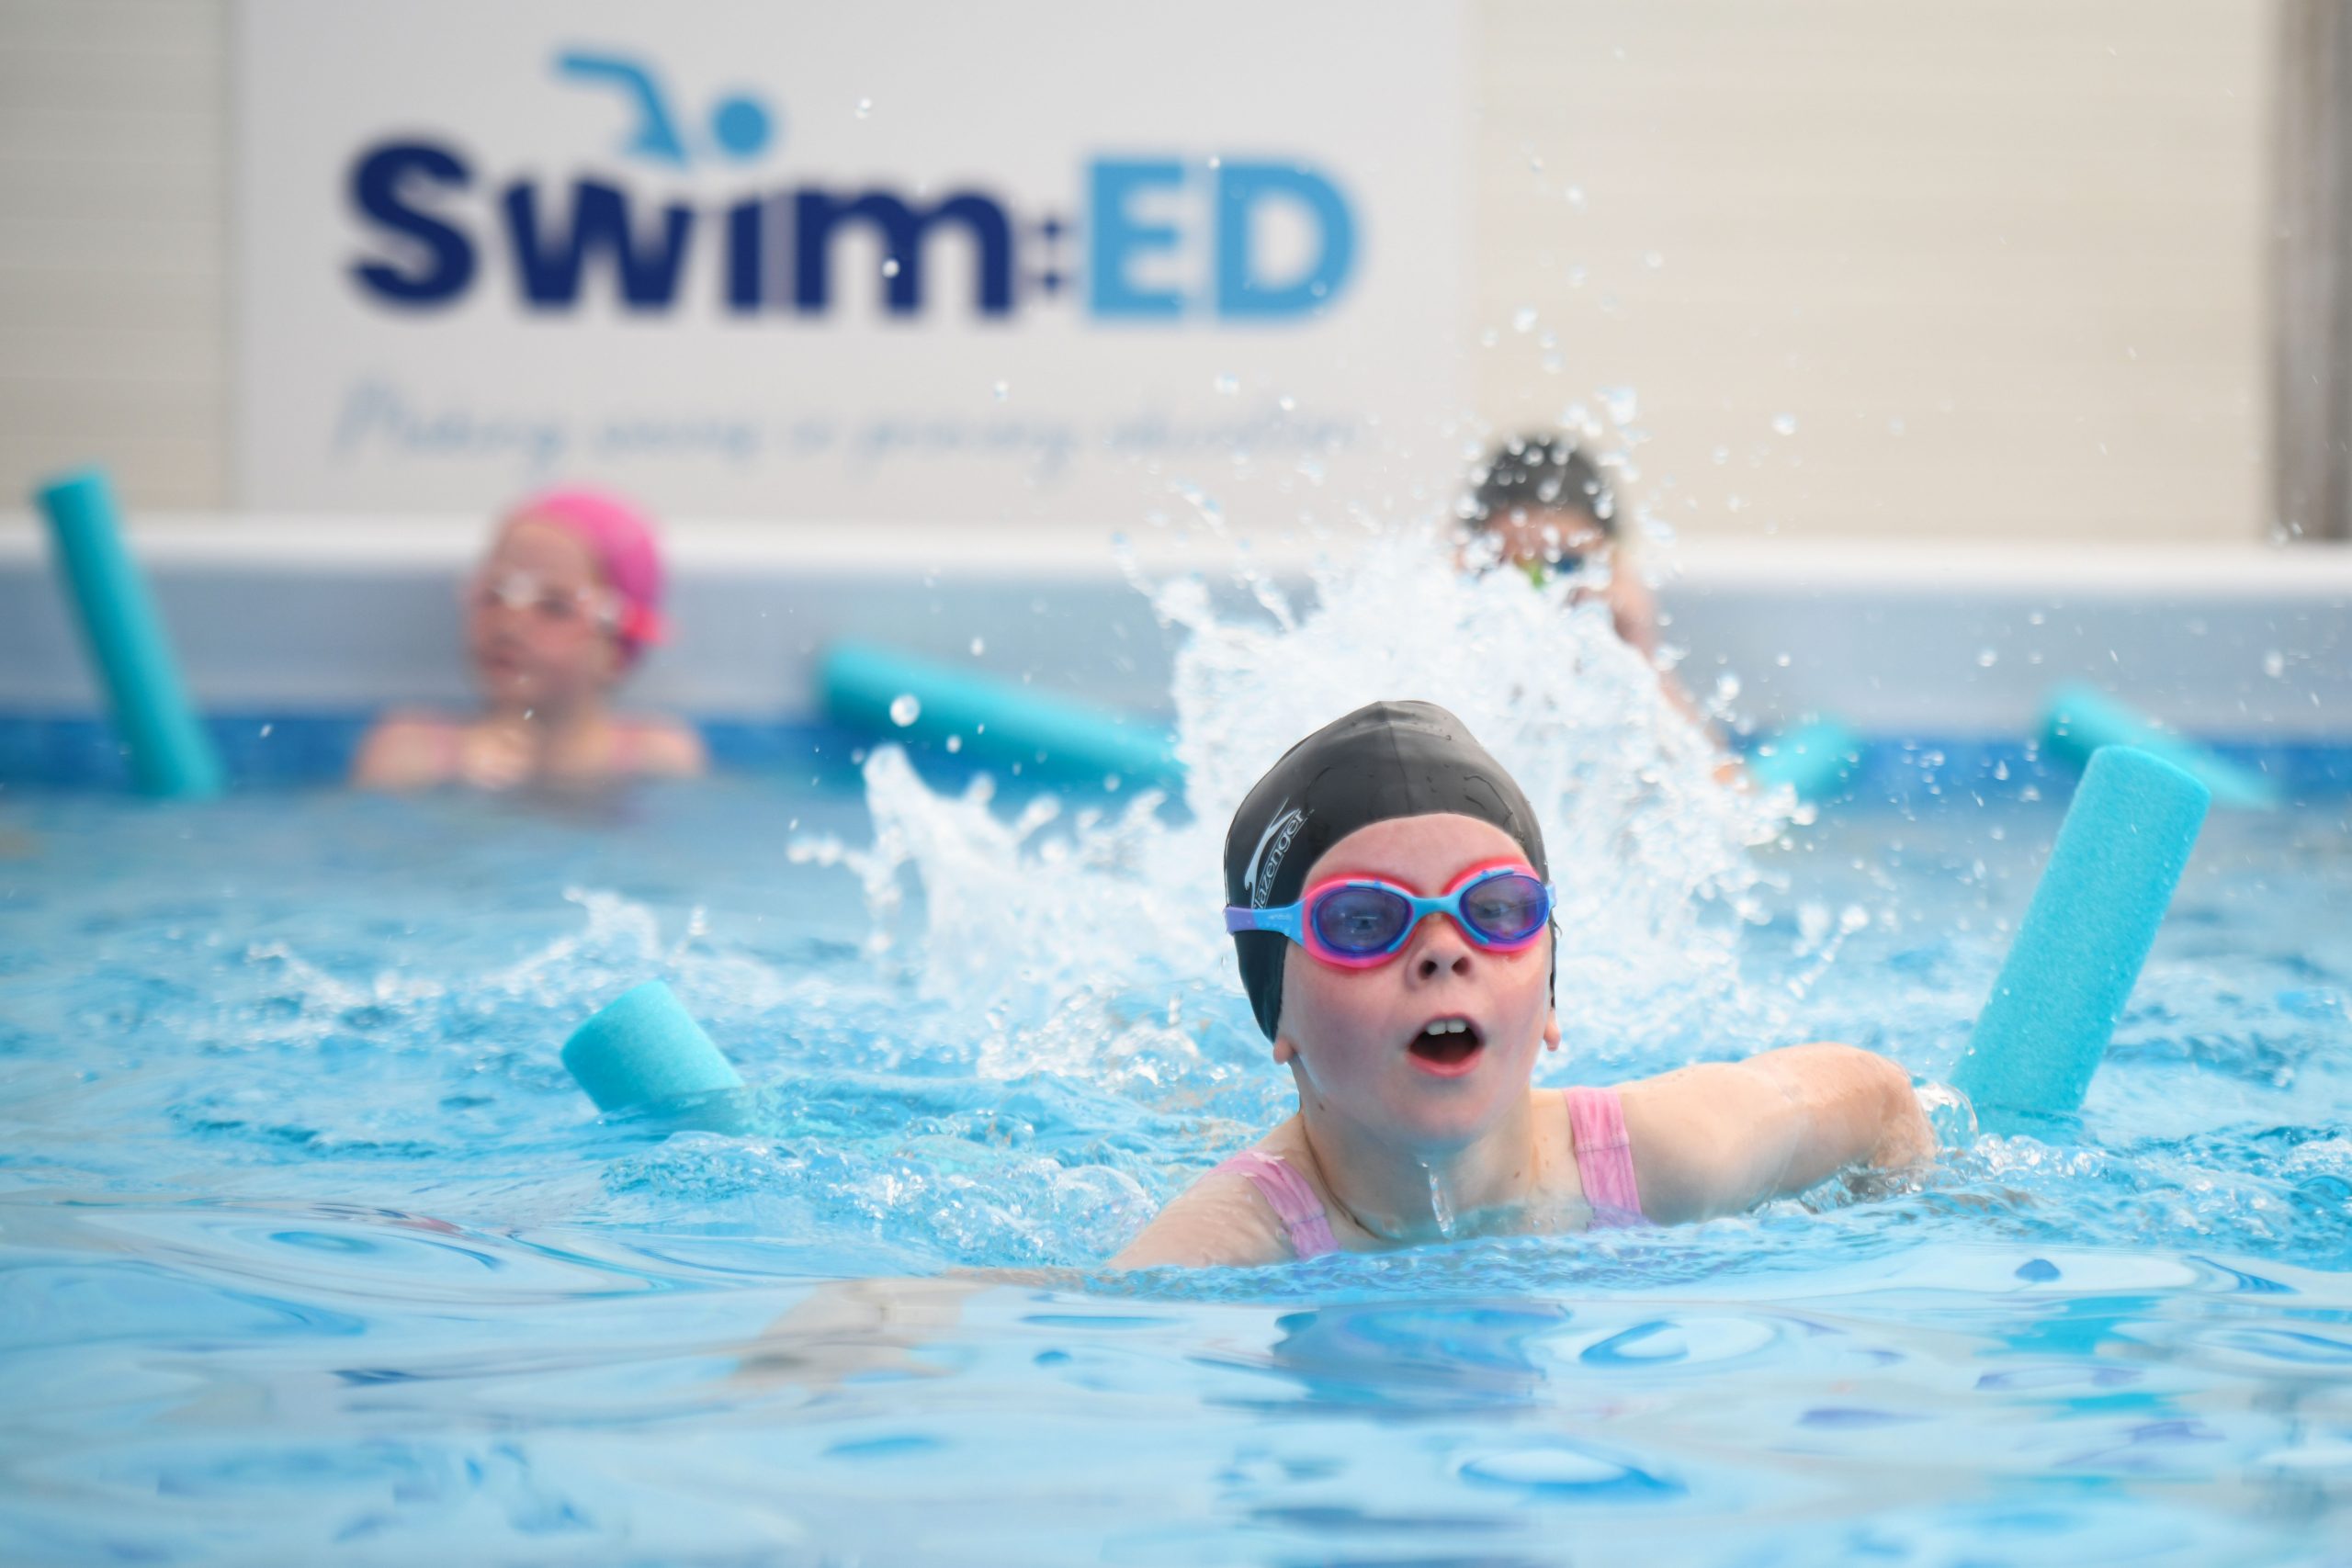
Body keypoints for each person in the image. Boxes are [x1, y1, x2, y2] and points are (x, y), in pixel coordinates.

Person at [1111, 700, 1929, 1269]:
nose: (1442, 952)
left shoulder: (1655, 1159)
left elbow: (1878, 1098)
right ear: (1274, 1007)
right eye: (1363, 921)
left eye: (1494, 910)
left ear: (1548, 993)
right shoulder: (1238, 1238)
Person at [351, 488, 707, 791]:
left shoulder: (656, 757)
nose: (510, 625)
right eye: (494, 594)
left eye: (554, 607)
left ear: (613, 651)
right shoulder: (412, 753)